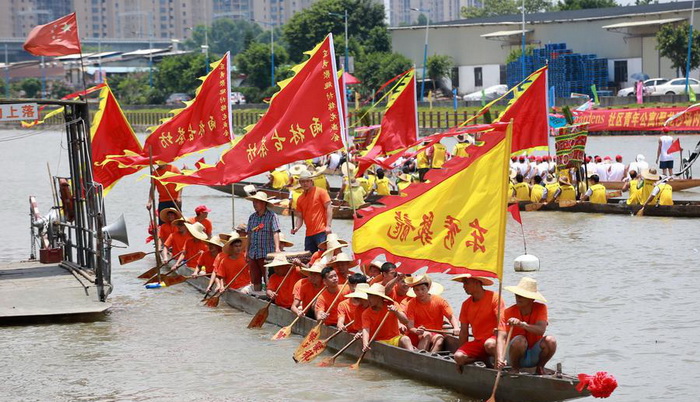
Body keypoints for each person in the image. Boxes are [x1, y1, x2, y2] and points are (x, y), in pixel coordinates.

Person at [452, 274, 506, 372]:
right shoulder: (466, 304)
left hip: (494, 340)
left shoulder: (495, 298)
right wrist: (460, 361)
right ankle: (483, 359)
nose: (464, 286)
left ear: (477, 283)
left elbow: (502, 327)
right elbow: (464, 332)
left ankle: (498, 366)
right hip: (478, 342)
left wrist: (500, 357)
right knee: (458, 356)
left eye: (466, 283)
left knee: (489, 344)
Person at [504, 277, 557, 375]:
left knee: (551, 341)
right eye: (517, 294)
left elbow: (541, 330)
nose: (518, 297)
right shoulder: (508, 312)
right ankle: (515, 369)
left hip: (533, 354)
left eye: (522, 295)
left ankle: (540, 367)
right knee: (520, 340)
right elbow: (502, 336)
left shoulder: (541, 308)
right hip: (514, 356)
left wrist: (522, 325)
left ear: (532, 298)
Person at [404, 275, 460, 352]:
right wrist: (416, 331)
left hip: (435, 333)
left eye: (423, 289)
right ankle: (420, 357)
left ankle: (430, 358)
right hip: (417, 334)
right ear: (413, 291)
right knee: (427, 335)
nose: (420, 292)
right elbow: (410, 326)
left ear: (428, 288)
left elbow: (451, 316)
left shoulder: (439, 301)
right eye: (416, 290)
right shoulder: (411, 304)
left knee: (440, 339)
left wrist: (456, 327)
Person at [361, 284, 414, 351]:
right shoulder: (366, 313)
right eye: (368, 296)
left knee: (406, 339)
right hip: (379, 342)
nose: (368, 300)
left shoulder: (393, 305)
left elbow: (405, 321)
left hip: (394, 339)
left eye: (371, 297)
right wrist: (365, 344)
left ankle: (414, 359)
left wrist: (396, 312)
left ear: (379, 297)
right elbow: (366, 330)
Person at [246, 191, 281, 292]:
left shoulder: (272, 216)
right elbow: (249, 235)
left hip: (266, 254)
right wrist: (247, 251)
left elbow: (275, 232)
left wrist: (277, 248)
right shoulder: (252, 217)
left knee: (268, 279)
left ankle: (268, 296)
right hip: (254, 253)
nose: (255, 204)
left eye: (257, 202)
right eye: (254, 202)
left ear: (264, 203)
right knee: (255, 280)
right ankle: (256, 295)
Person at [291, 171, 333, 253]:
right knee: (308, 258)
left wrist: (328, 226)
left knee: (325, 255)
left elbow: (329, 207)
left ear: (311, 181)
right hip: (309, 234)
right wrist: (296, 228)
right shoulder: (300, 199)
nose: (305, 183)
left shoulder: (321, 192)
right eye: (302, 181)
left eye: (307, 181)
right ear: (300, 183)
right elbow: (300, 216)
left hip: (322, 231)